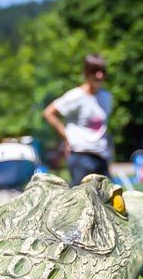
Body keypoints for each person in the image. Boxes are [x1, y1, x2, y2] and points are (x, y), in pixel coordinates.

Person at [43, 53, 113, 186]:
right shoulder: (76, 96)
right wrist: (66, 136)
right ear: (87, 73)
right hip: (81, 156)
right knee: (81, 203)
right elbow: (49, 113)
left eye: (102, 71)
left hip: (101, 156)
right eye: (95, 71)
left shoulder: (107, 97)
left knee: (108, 201)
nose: (99, 76)